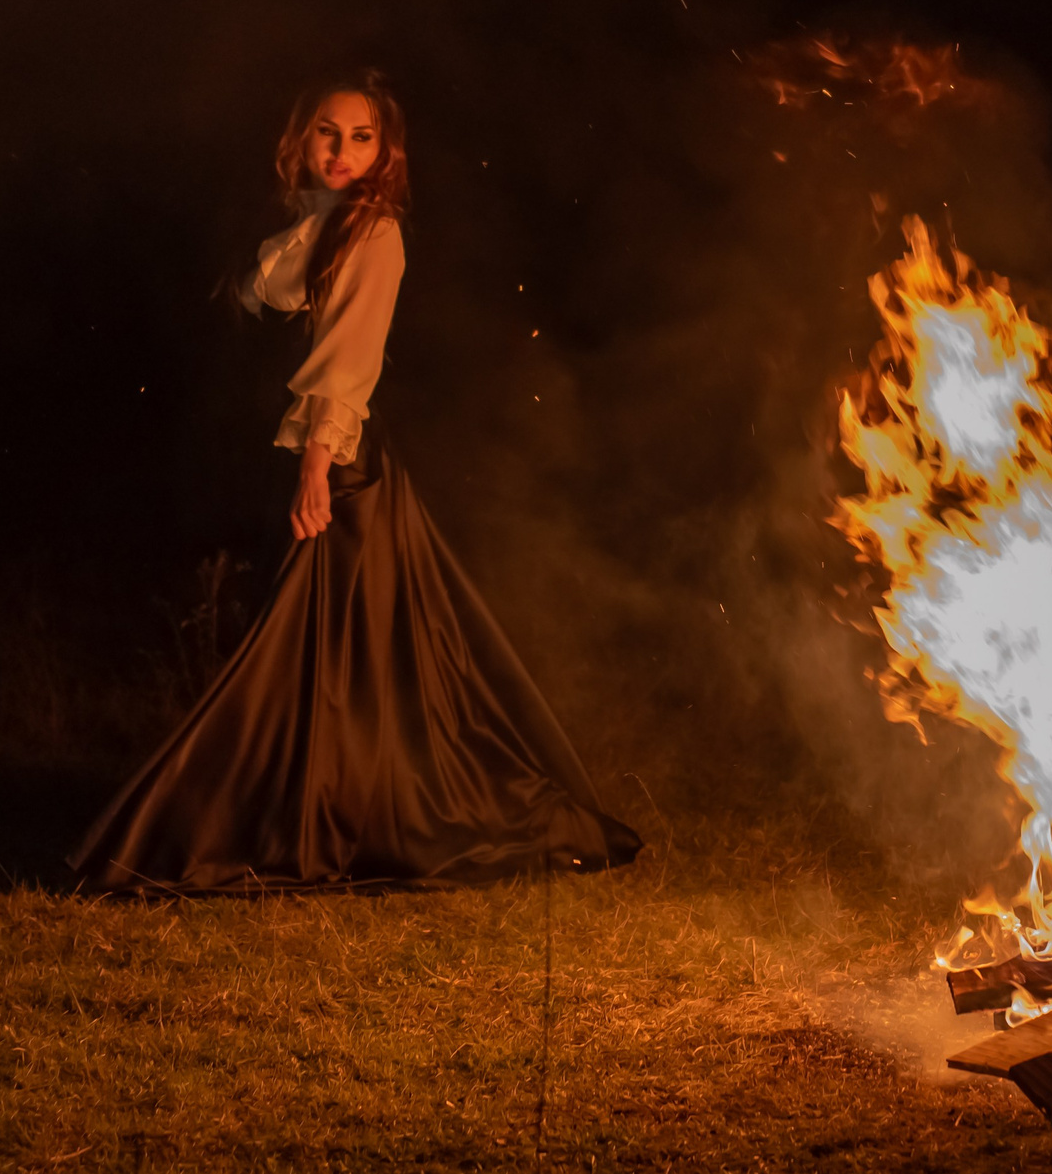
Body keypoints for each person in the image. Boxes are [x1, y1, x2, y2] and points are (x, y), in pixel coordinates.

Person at [70, 73, 641, 892]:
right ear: (299, 137)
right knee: (326, 664)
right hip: (296, 458)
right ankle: (298, 811)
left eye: (362, 137)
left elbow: (349, 358)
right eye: (328, 134)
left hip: (341, 468)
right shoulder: (304, 219)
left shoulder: (375, 235)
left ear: (387, 150)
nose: (342, 151)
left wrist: (317, 466)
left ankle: (257, 826)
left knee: (317, 659)